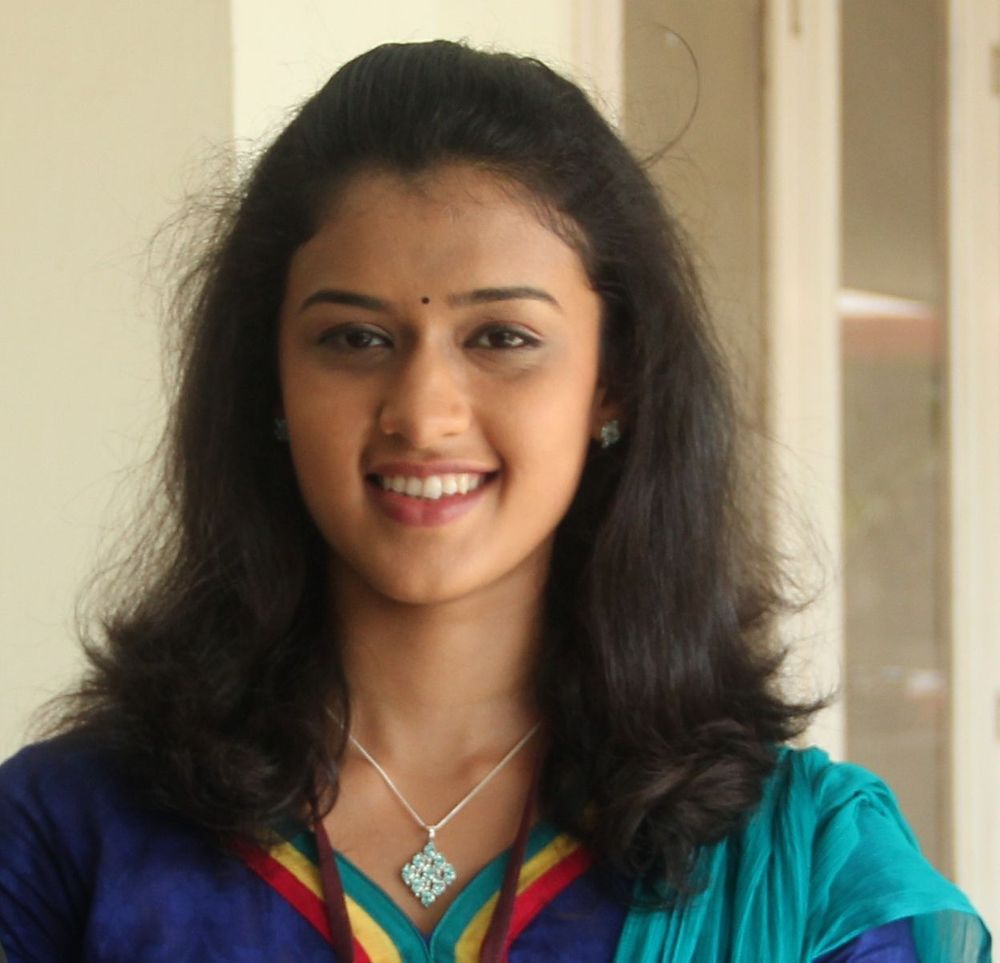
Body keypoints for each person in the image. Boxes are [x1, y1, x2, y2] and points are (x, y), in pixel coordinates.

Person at [0, 40, 989, 963]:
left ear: (613, 380)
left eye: (502, 338)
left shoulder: (807, 869)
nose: (423, 414)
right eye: (355, 339)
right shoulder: (66, 835)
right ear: (271, 381)